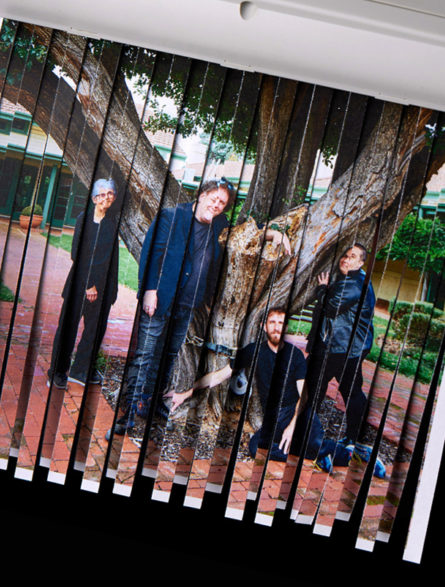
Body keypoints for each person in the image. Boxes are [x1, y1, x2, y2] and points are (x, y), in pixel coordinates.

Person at [113, 179, 289, 435]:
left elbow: (244, 233)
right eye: (214, 199)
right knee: (145, 355)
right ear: (202, 194)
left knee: (168, 356)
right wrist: (149, 291)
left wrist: (274, 233)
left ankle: (149, 405)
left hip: (187, 305)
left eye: (222, 203)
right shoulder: (171, 217)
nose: (217, 205)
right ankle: (127, 413)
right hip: (160, 300)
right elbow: (151, 254)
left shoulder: (218, 224)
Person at [165, 308, 384, 476]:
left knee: (312, 442)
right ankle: (318, 453)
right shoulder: (254, 351)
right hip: (274, 418)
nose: (277, 327)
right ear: (264, 326)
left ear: (286, 326)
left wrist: (291, 426)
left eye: (281, 323)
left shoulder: (295, 355)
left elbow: (304, 396)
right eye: (272, 322)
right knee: (255, 447)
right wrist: (185, 394)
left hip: (299, 414)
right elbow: (219, 376)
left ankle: (352, 453)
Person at [49, 178, 120, 390]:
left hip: (104, 287)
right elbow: (77, 254)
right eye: (102, 194)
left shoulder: (112, 223)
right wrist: (90, 283)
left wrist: (110, 289)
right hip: (80, 284)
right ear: (94, 198)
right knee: (68, 328)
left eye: (110, 194)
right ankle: (57, 371)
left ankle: (81, 369)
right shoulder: (84, 220)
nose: (106, 198)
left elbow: (109, 257)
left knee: (94, 330)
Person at [305, 243, 376, 446]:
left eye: (352, 256)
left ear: (361, 263)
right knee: (325, 385)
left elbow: (331, 306)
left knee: (346, 390)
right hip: (341, 345)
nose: (345, 259)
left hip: (344, 348)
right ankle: (313, 431)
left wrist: (321, 289)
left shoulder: (355, 284)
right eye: (345, 255)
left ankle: (353, 439)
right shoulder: (351, 278)